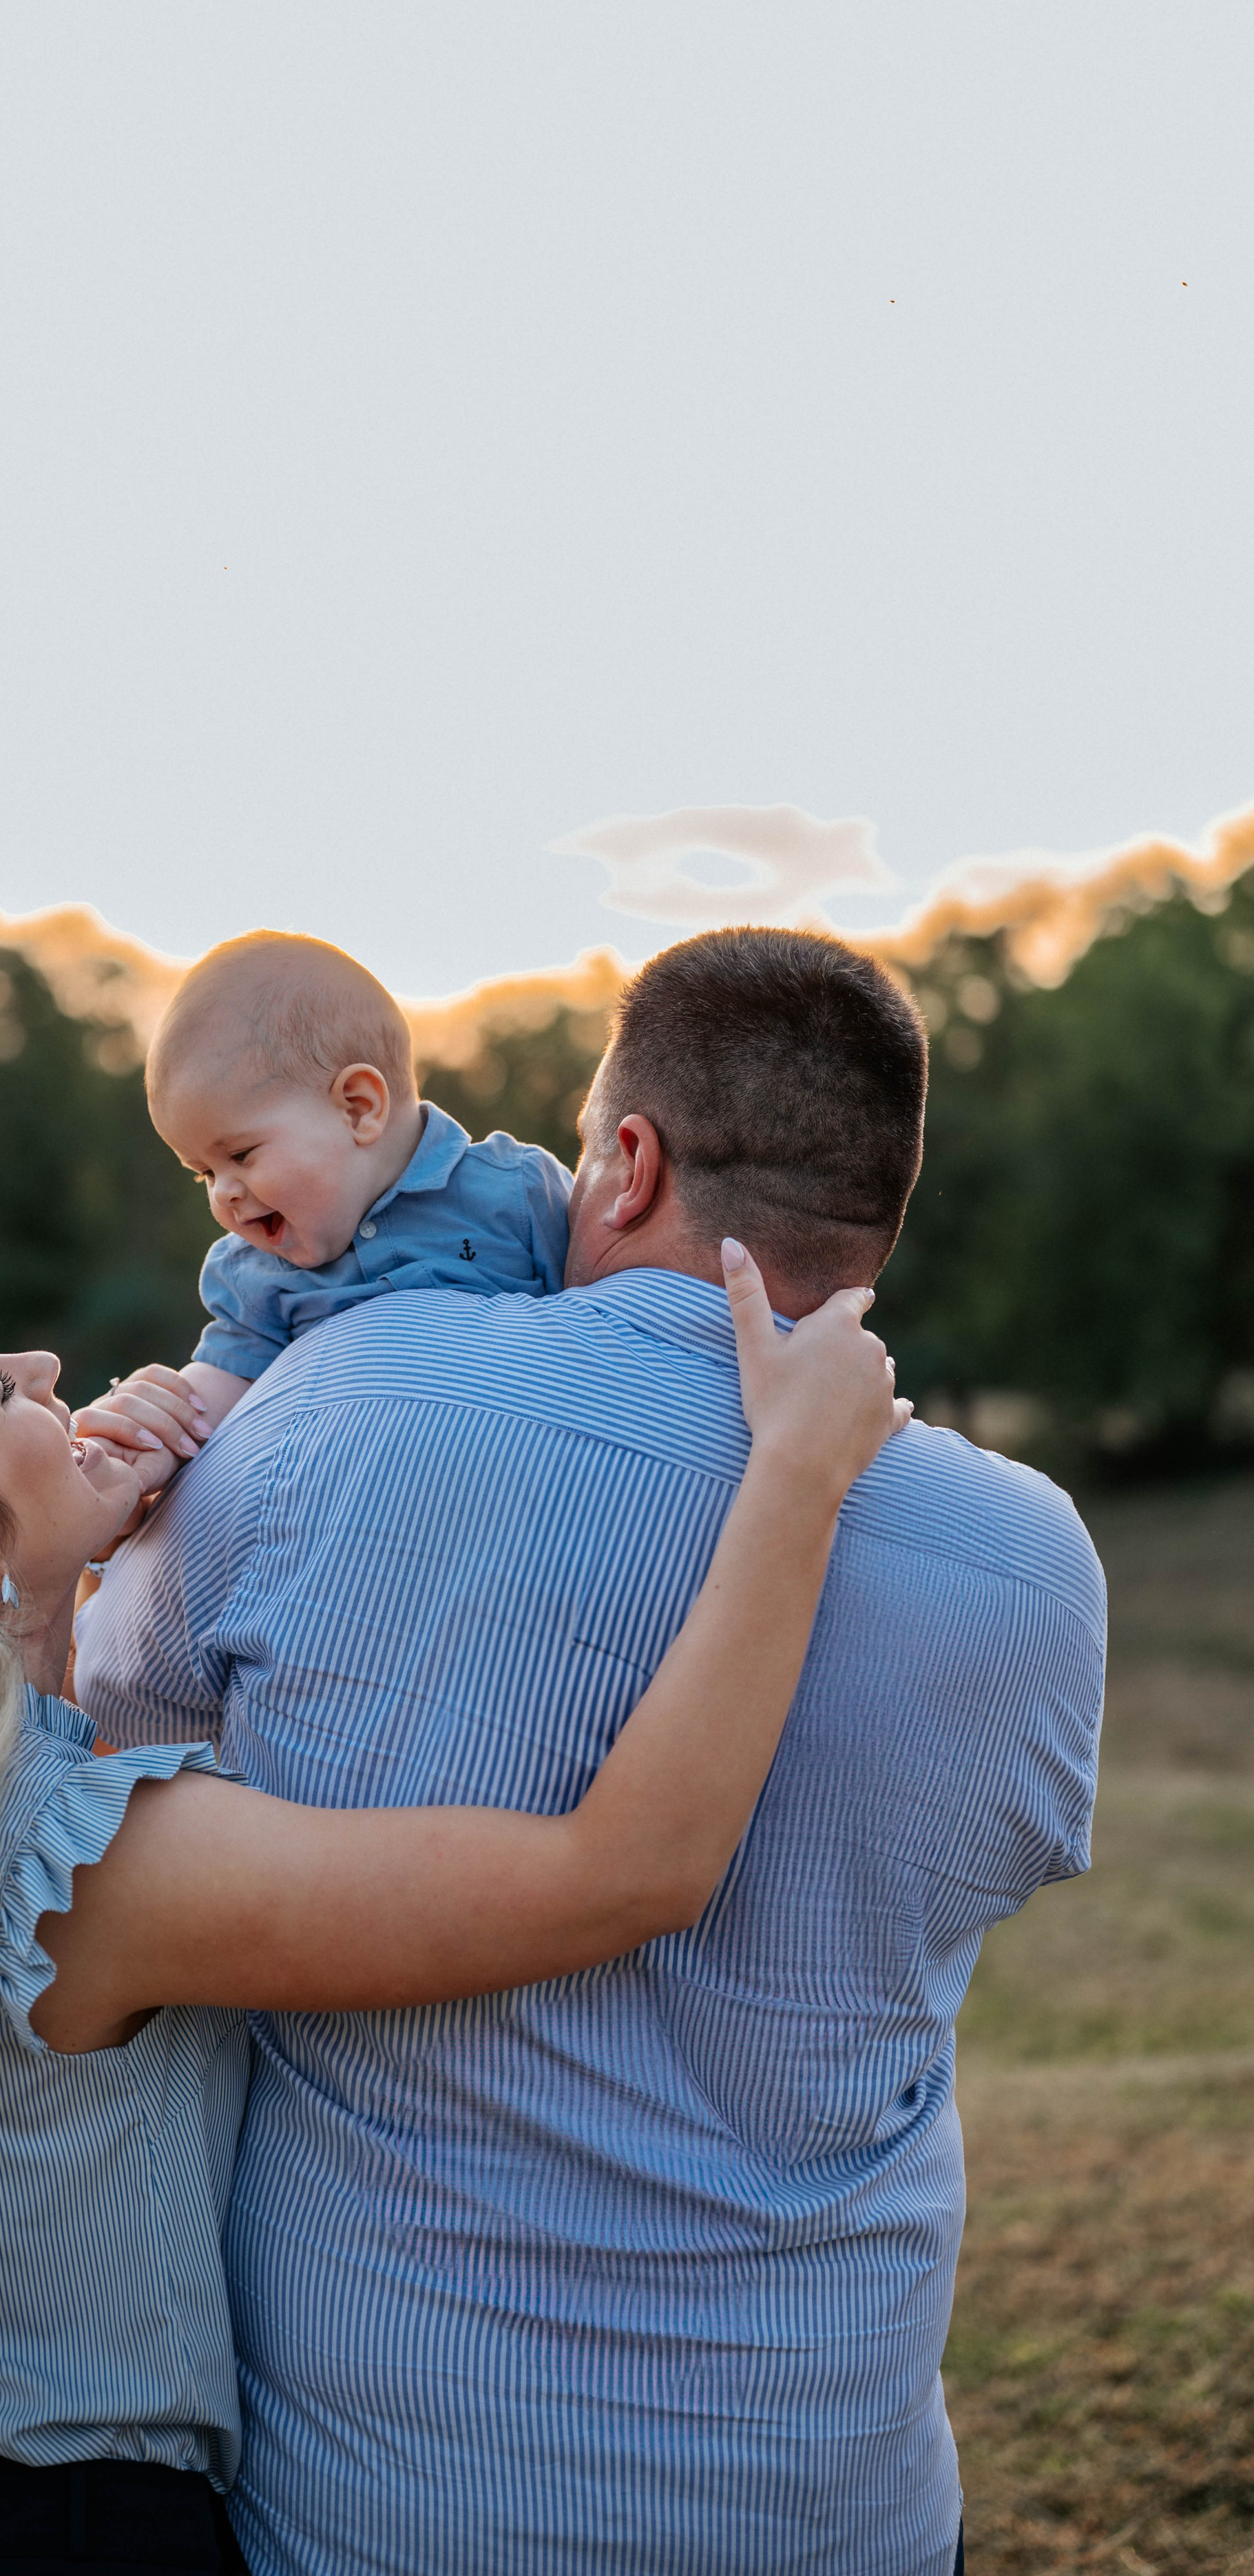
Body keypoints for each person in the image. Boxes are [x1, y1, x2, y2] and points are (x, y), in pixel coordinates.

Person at [0, 1237, 905, 2576]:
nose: (50, 1369)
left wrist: (68, 1567)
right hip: (45, 2546)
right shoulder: (90, 1872)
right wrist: (798, 1470)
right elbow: (625, 1873)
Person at [77, 925, 1108, 2576]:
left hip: (394, 2499)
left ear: (625, 1157)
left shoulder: (329, 1405)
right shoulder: (1029, 1561)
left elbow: (101, 1715)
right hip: (828, 2493)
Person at [82, 931, 571, 1481]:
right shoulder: (254, 1274)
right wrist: (146, 1446)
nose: (223, 1192)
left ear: (359, 1109)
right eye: (205, 1174)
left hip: (519, 1476)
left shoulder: (516, 1195)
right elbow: (213, 1401)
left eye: (240, 1154)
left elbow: (614, 1317)